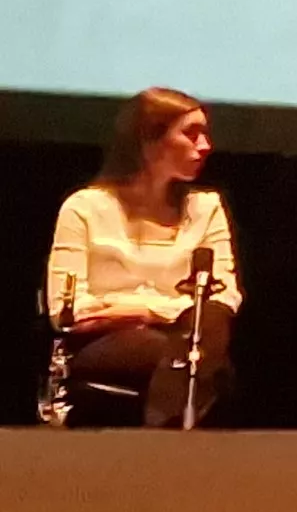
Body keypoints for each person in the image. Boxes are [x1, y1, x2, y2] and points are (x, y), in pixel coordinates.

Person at [42, 89, 238, 426]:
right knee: (194, 363)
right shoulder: (84, 208)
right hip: (101, 341)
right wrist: (162, 309)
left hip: (191, 333)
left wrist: (133, 308)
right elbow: (66, 309)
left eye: (205, 134)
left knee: (201, 343)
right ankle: (168, 436)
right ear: (147, 141)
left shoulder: (205, 208)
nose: (205, 146)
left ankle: (158, 438)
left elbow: (223, 296)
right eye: (191, 134)